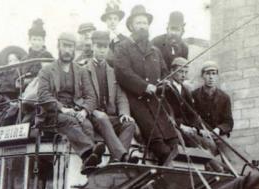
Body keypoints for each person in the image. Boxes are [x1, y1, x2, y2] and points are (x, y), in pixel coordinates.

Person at [114, 4, 180, 166]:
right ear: (131, 26)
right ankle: (165, 169)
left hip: (156, 100)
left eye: (144, 23)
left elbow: (164, 72)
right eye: (138, 23)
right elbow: (123, 73)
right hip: (136, 101)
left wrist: (165, 82)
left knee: (172, 138)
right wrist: (144, 86)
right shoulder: (122, 48)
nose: (142, 26)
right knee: (156, 139)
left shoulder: (155, 50)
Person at [37, 32, 105, 172]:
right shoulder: (47, 70)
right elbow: (43, 95)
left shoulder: (81, 71)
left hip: (75, 110)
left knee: (87, 125)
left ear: (74, 49)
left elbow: (91, 96)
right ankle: (90, 152)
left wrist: (85, 111)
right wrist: (62, 108)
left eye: (71, 47)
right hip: (53, 113)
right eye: (65, 46)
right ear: (58, 46)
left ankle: (88, 164)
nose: (67, 51)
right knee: (69, 121)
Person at [164, 57, 225, 172]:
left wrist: (200, 129)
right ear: (172, 71)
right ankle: (218, 169)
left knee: (208, 142)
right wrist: (182, 126)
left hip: (188, 128)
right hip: (175, 128)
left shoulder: (185, 90)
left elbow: (192, 114)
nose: (183, 75)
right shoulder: (166, 88)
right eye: (181, 71)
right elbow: (166, 113)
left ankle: (214, 168)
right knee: (198, 145)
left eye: (186, 72)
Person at [84, 30, 136, 163]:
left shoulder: (112, 72)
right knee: (102, 118)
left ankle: (114, 161)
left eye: (105, 47)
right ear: (93, 46)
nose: (102, 50)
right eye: (99, 46)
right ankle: (122, 156)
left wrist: (124, 113)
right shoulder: (83, 70)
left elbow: (121, 96)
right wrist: (92, 111)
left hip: (110, 116)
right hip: (92, 115)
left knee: (129, 123)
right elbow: (79, 96)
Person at [191, 61, 243, 168]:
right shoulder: (194, 95)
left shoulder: (224, 97)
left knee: (229, 158)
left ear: (217, 76)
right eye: (208, 73)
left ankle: (231, 178)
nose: (211, 77)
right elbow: (192, 116)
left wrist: (218, 130)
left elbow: (228, 122)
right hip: (201, 134)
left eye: (214, 73)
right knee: (207, 158)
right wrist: (199, 130)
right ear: (202, 76)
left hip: (219, 135)